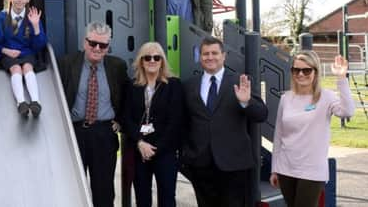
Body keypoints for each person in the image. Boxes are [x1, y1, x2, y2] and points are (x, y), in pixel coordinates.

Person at [181, 37, 268, 207]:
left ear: (224, 56)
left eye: (214, 53)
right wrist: (187, 152)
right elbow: (184, 122)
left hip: (233, 164)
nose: (210, 57)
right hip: (200, 163)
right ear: (200, 57)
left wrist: (246, 102)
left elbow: (261, 114)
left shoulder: (240, 82)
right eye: (205, 54)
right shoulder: (189, 85)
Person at [58, 21, 129, 207]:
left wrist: (120, 121)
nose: (97, 48)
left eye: (103, 45)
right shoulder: (67, 63)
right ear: (85, 42)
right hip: (74, 135)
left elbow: (128, 98)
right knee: (72, 188)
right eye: (93, 43)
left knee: (104, 191)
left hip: (104, 136)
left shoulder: (117, 67)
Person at [270, 52, 355, 207]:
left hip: (312, 170)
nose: (301, 74)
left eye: (306, 70)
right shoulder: (286, 98)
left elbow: (348, 111)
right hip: (285, 169)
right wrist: (275, 169)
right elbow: (279, 135)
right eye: (296, 70)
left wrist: (341, 78)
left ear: (316, 72)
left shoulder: (326, 97)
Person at [123, 42, 184, 207]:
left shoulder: (174, 85)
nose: (152, 61)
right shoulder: (132, 86)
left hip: (165, 152)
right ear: (141, 61)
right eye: (147, 57)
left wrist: (155, 148)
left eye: (156, 57)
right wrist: (140, 142)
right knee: (142, 198)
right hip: (139, 150)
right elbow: (126, 118)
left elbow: (175, 121)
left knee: (167, 198)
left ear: (162, 61)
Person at [0, 0, 47, 117]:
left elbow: (39, 46)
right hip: (8, 53)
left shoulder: (32, 17)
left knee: (28, 67)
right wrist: (6, 51)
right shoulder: (2, 17)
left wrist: (35, 27)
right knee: (16, 69)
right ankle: (21, 102)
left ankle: (36, 101)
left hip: (27, 53)